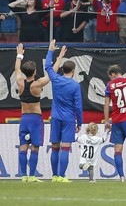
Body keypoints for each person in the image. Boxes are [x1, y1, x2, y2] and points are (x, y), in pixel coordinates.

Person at [15, 43, 55, 182]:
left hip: (24, 118)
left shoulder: (20, 82)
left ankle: (23, 176)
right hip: (35, 119)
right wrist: (54, 53)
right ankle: (32, 175)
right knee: (35, 148)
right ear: (35, 72)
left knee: (23, 147)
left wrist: (19, 54)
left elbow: (16, 69)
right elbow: (51, 74)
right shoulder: (37, 85)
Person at [45, 40, 83, 182]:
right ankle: (61, 176)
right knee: (65, 147)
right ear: (73, 71)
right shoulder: (75, 85)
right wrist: (80, 122)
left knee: (55, 146)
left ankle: (54, 176)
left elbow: (47, 66)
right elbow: (78, 106)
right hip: (68, 118)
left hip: (55, 117)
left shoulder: (56, 79)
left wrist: (51, 51)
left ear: (62, 70)